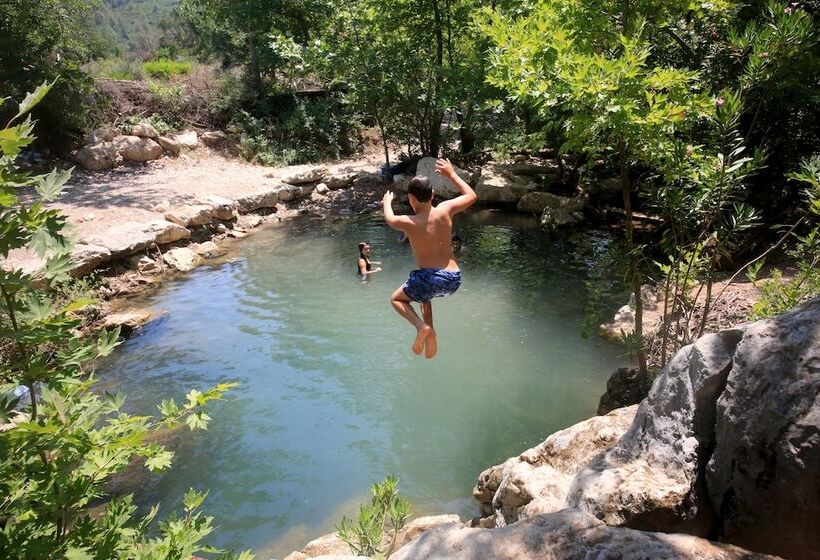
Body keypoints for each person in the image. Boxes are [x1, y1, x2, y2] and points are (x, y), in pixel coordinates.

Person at [382, 158, 477, 358]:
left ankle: (421, 327)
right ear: (433, 195)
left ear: (411, 198)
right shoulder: (445, 210)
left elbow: (390, 219)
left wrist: (387, 203)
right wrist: (452, 174)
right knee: (424, 295)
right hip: (454, 278)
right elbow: (471, 195)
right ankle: (431, 332)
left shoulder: (410, 221)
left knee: (396, 299)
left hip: (431, 277)